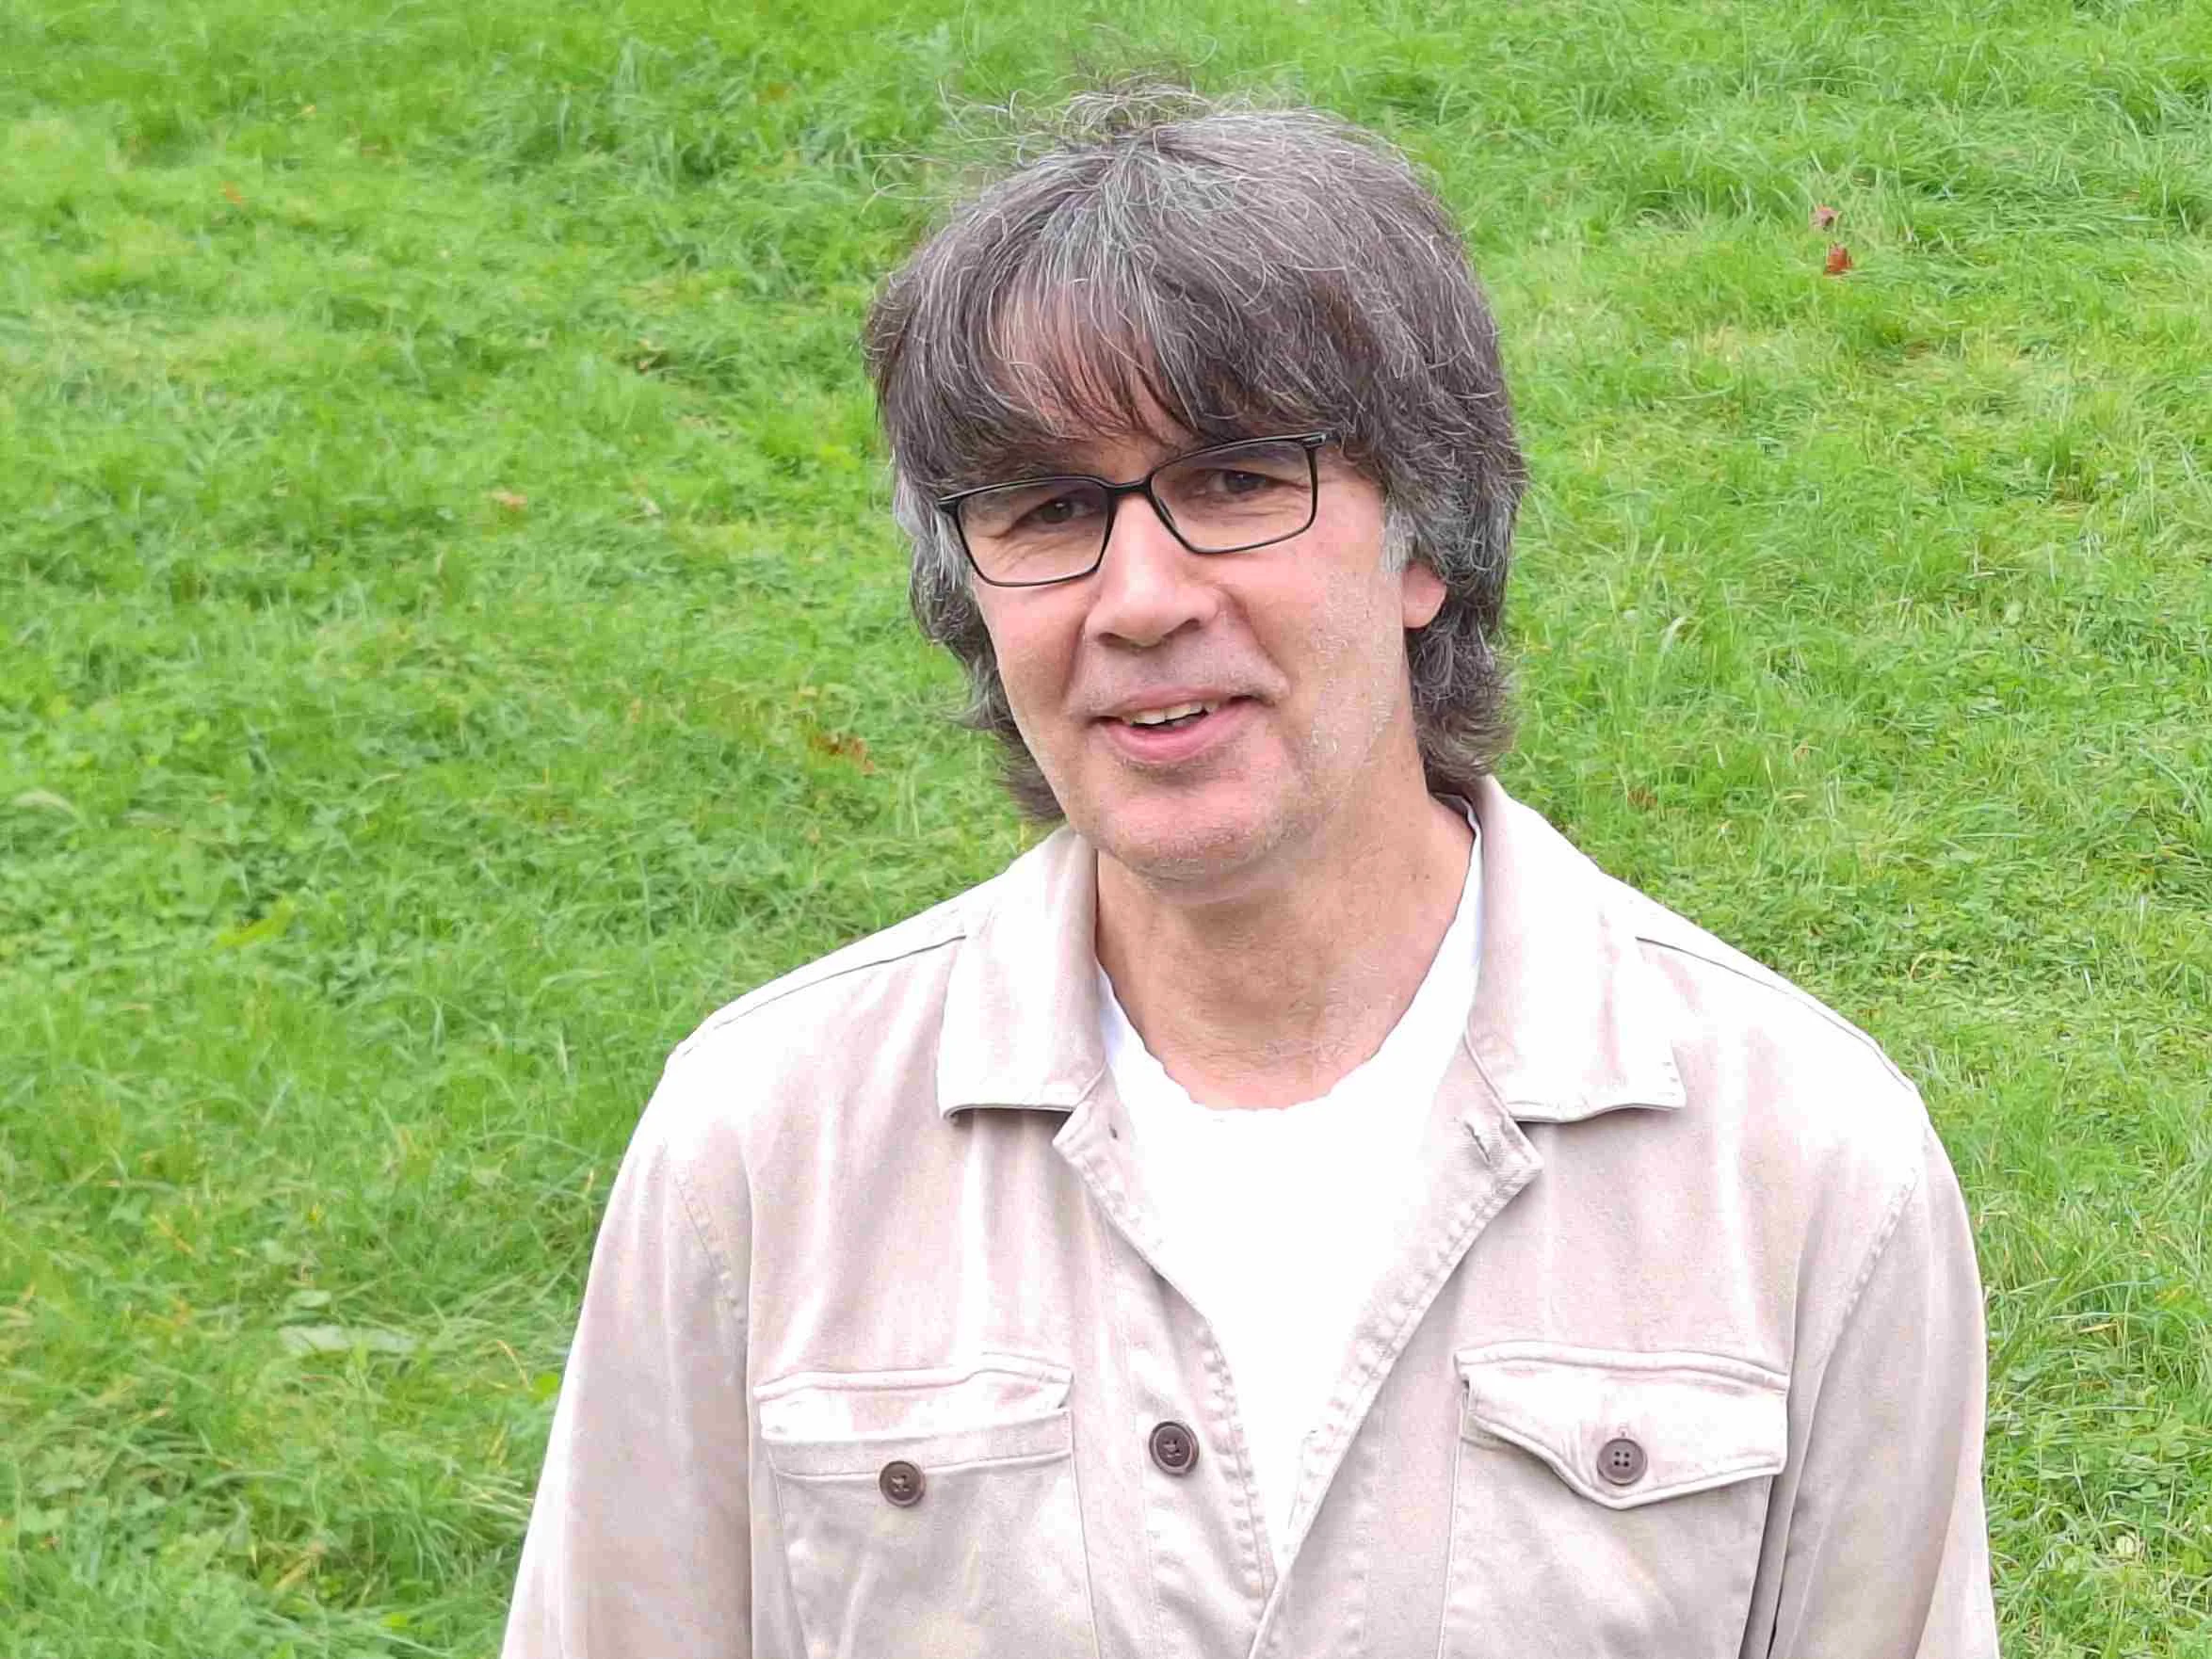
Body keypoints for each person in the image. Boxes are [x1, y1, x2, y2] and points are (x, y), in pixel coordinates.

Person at [502, 93, 1998, 1657]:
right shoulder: (761, 1147)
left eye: (1234, 480)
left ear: (1427, 537)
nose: (1140, 598)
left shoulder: (1806, 1163)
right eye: (1050, 508)